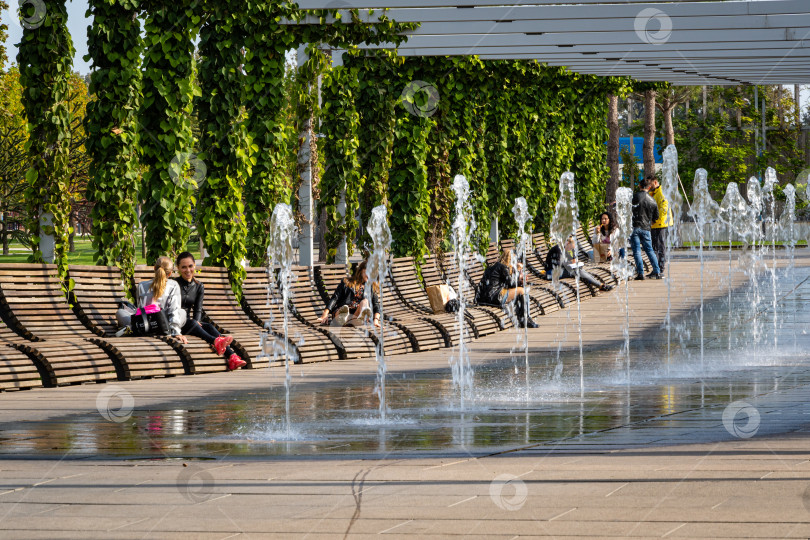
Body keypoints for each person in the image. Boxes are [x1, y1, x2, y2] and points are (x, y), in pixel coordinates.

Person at [174, 252, 246, 371]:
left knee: (208, 326)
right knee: (193, 323)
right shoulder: (174, 284)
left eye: (190, 266)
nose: (188, 270)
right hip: (176, 323)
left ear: (194, 266)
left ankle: (233, 357)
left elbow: (198, 309)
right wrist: (193, 322)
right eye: (183, 267)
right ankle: (216, 341)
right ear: (178, 268)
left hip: (189, 323)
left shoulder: (198, 286)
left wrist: (197, 321)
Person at [477, 249, 538, 328]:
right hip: (495, 297)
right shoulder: (503, 267)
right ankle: (525, 319)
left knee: (520, 291)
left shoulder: (494, 266)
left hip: (486, 297)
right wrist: (518, 271)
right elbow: (512, 285)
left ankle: (524, 318)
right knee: (522, 291)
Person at [317, 260, 381, 328]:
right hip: (341, 312)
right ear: (361, 271)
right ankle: (343, 317)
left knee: (365, 302)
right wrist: (325, 314)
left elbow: (376, 305)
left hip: (355, 316)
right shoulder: (346, 282)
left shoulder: (371, 287)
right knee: (345, 309)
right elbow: (335, 298)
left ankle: (362, 316)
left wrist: (376, 320)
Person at [136, 256, 187, 341]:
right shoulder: (173, 285)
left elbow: (139, 309)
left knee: (121, 313)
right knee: (182, 312)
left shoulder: (141, 285)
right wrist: (176, 332)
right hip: (164, 327)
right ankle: (171, 329)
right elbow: (174, 310)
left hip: (145, 326)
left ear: (154, 268)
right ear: (170, 273)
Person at [546, 236, 613, 292]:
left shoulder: (565, 249)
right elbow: (560, 265)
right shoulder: (558, 250)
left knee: (581, 270)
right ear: (568, 243)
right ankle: (600, 285)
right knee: (577, 271)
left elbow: (573, 261)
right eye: (572, 247)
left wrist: (573, 253)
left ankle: (600, 285)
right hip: (551, 273)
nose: (572, 249)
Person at [630, 176, 662, 280]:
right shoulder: (652, 200)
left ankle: (640, 273)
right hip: (646, 228)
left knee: (637, 251)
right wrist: (649, 224)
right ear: (648, 187)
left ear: (639, 186)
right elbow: (656, 217)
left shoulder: (634, 197)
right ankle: (657, 271)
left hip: (635, 227)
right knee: (650, 250)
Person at [648, 175, 672, 275]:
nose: (649, 186)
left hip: (661, 224)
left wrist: (655, 220)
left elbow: (663, 209)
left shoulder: (661, 192)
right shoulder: (653, 192)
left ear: (655, 182)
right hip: (655, 224)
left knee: (660, 247)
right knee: (655, 247)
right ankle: (656, 268)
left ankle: (660, 269)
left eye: (650, 183)